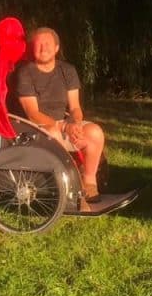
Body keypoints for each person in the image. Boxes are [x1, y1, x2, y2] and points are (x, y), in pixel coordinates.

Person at [15, 27, 105, 203]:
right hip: (37, 127)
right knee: (54, 135)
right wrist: (64, 126)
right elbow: (33, 113)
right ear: (32, 48)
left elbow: (75, 108)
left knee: (95, 133)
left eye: (47, 44)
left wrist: (76, 124)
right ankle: (64, 185)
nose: (43, 48)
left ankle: (89, 182)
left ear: (56, 48)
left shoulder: (67, 70)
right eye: (38, 44)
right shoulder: (25, 73)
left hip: (64, 123)